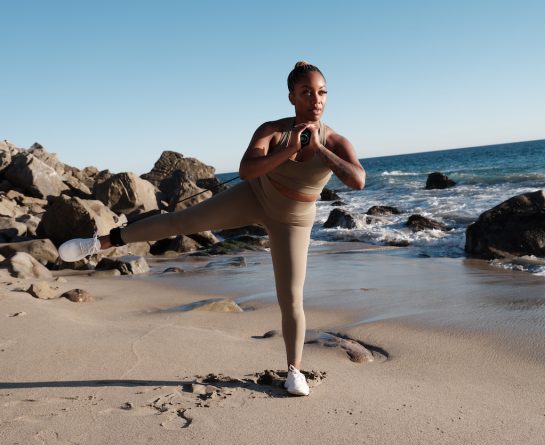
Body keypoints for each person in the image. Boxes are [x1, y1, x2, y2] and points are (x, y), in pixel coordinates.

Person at [58, 61, 366, 396]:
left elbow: (357, 180)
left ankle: (294, 372)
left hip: (293, 218)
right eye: (307, 92)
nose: (316, 99)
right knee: (181, 221)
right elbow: (247, 170)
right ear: (292, 96)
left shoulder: (334, 140)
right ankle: (100, 243)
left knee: (291, 296)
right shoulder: (273, 130)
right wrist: (290, 149)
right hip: (255, 195)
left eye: (321, 92)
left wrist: (318, 149)